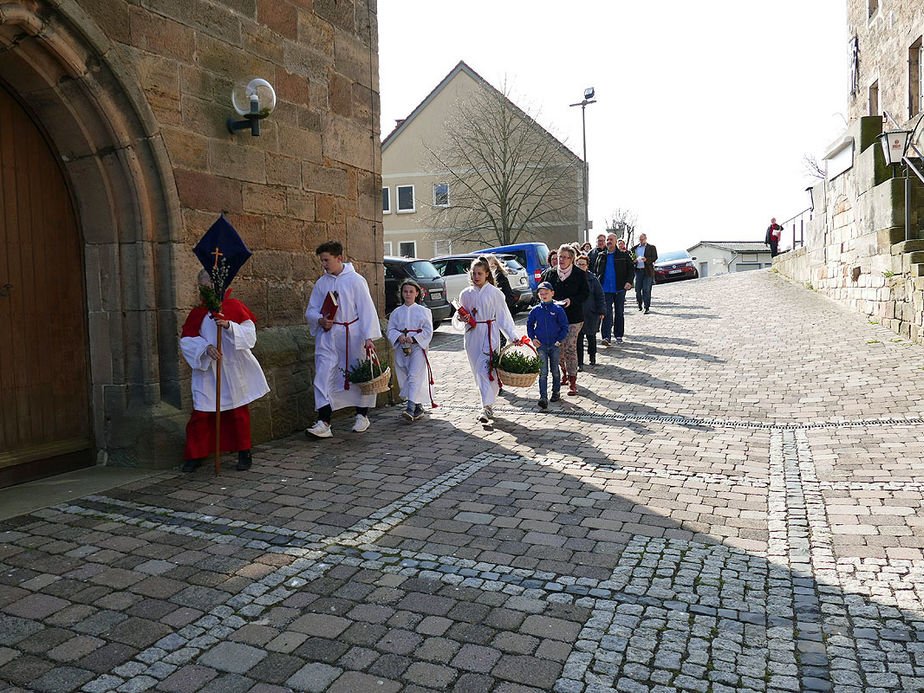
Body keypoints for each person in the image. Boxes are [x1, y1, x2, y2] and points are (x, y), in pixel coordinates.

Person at [180, 269, 270, 472]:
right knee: (202, 413)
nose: (208, 288)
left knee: (237, 412)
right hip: (208, 371)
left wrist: (229, 325)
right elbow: (186, 340)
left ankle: (244, 451)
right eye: (204, 285)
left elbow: (250, 336)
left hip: (232, 367)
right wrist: (205, 348)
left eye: (211, 284)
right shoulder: (197, 313)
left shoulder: (234, 306)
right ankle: (195, 454)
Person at [305, 241, 381, 438]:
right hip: (328, 337)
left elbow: (367, 310)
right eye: (322, 260)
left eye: (326, 260)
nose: (324, 264)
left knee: (358, 376)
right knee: (322, 376)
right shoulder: (322, 283)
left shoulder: (356, 280)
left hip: (353, 336)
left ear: (339, 258)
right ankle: (324, 422)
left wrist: (368, 337)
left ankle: (362, 415)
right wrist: (320, 320)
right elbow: (311, 310)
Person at [453, 256, 518, 423]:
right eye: (473, 273)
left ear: (487, 274)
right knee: (478, 372)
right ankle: (488, 403)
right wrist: (461, 318)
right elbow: (459, 315)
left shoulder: (495, 293)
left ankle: (485, 407)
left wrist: (513, 336)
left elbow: (504, 316)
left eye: (479, 273)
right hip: (472, 335)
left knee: (485, 370)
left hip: (490, 334)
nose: (476, 277)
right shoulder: (465, 294)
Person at [540, 245, 588, 396]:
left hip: (573, 317)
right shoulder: (550, 273)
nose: (561, 260)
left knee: (569, 347)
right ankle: (564, 372)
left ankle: (573, 382)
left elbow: (585, 294)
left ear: (572, 259)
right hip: (555, 317)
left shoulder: (579, 274)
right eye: (560, 256)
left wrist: (571, 300)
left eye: (565, 257)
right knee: (558, 349)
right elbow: (541, 290)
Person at [387, 278, 434, 422]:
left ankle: (410, 407)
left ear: (417, 293)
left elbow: (428, 330)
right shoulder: (396, 312)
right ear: (401, 293)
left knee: (414, 374)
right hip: (402, 348)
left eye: (411, 292)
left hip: (417, 348)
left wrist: (414, 339)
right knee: (406, 375)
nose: (408, 294)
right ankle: (418, 406)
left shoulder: (423, 311)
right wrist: (399, 336)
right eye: (405, 291)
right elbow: (390, 329)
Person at [527, 281, 568, 409]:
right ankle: (543, 397)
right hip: (541, 345)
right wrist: (533, 338)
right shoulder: (535, 310)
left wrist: (559, 340)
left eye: (546, 293)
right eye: (541, 293)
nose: (544, 295)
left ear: (552, 294)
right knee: (543, 372)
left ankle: (556, 391)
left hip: (555, 345)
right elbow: (529, 325)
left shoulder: (558, 310)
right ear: (538, 295)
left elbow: (564, 326)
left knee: (555, 370)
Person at [594, 233, 634, 345]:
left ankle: (618, 335)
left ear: (616, 241)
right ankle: (606, 337)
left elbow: (631, 269)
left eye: (611, 239)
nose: (609, 241)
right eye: (607, 240)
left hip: (620, 288)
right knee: (606, 313)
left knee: (619, 312)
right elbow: (597, 272)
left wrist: (629, 282)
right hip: (605, 290)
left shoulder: (623, 255)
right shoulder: (601, 256)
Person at [576, 255, 604, 369]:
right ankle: (580, 363)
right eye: (579, 264)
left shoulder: (593, 279)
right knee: (578, 339)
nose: (581, 266)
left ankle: (592, 357)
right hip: (577, 313)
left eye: (583, 264)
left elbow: (600, 295)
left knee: (591, 336)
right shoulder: (573, 278)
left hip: (591, 313)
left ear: (587, 266)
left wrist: (602, 310)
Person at [631, 233, 658, 314]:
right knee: (638, 290)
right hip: (638, 271)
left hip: (647, 271)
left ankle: (647, 307)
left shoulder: (651, 247)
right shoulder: (634, 248)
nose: (641, 240)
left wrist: (646, 259)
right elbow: (631, 258)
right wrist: (634, 261)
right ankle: (639, 304)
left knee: (646, 289)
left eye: (642, 239)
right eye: (640, 239)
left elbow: (655, 257)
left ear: (646, 238)